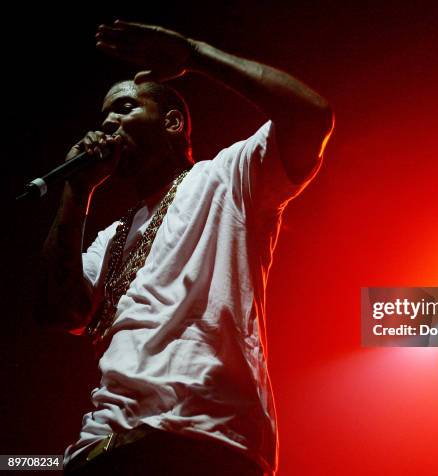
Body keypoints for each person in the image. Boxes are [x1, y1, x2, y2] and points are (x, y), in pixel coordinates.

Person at [36, 19, 333, 476]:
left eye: (126, 108)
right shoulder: (110, 238)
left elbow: (311, 115)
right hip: (102, 445)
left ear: (172, 123)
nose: (109, 123)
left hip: (201, 440)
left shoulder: (225, 179)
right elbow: (59, 312)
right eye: (104, 116)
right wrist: (76, 192)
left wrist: (194, 54)